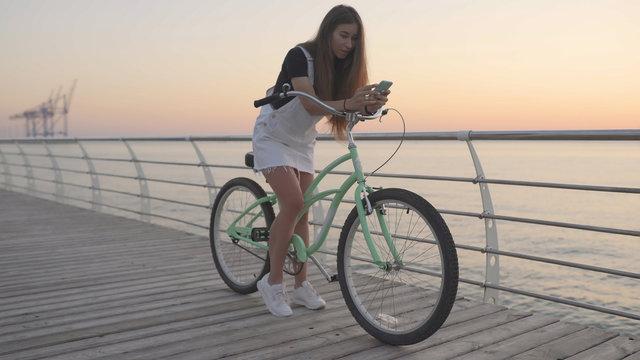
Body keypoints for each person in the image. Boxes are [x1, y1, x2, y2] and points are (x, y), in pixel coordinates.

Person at [252, 4, 390, 317]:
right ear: (328, 31)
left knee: (304, 211)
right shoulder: (300, 55)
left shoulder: (343, 68)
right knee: (292, 204)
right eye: (344, 35)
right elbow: (309, 102)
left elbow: (348, 109)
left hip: (302, 143)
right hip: (273, 136)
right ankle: (272, 283)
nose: (349, 44)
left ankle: (301, 286)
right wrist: (349, 102)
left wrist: (371, 105)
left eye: (355, 39)